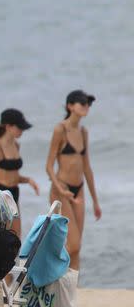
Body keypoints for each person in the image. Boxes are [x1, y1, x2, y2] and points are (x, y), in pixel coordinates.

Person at [45, 90, 102, 270]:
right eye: (82, 103)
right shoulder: (60, 129)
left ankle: (73, 290)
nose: (85, 106)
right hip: (61, 188)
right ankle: (54, 276)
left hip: (79, 189)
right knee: (73, 244)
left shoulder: (83, 131)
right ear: (70, 106)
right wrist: (60, 190)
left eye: (87, 103)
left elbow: (87, 168)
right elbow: (48, 166)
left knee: (76, 248)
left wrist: (95, 201)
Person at [0, 108, 39, 239]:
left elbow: (13, 175)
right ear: (8, 126)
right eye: (19, 127)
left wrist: (28, 180)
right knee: (2, 238)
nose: (22, 130)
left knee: (16, 238)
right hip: (1, 194)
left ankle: (12, 260)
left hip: (15, 193)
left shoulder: (16, 145)